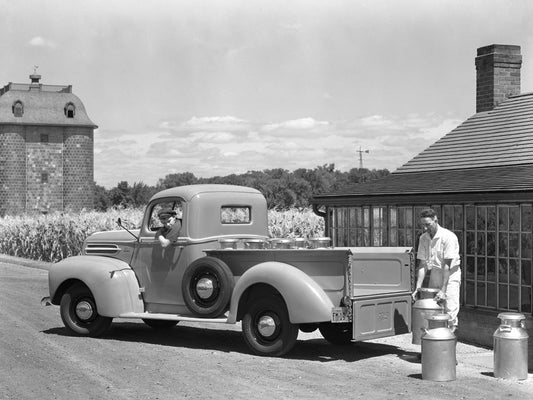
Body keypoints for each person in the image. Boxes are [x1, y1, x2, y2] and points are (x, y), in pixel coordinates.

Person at [412, 208, 461, 332]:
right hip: (435, 272)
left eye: (427, 224)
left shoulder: (448, 237)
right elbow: (422, 264)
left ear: (435, 220)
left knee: (450, 309)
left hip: (451, 274)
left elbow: (447, 265)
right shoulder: (423, 238)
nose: (425, 228)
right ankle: (433, 348)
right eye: (423, 225)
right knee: (434, 307)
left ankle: (448, 347)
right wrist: (418, 288)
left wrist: (443, 290)